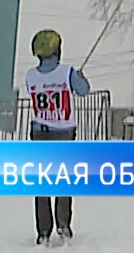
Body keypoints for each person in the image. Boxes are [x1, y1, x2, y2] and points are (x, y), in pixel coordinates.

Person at [24, 29, 90, 244]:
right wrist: (79, 78)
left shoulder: (30, 76)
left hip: (39, 133)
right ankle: (63, 225)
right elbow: (83, 91)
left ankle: (43, 231)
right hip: (63, 133)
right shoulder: (67, 72)